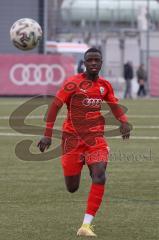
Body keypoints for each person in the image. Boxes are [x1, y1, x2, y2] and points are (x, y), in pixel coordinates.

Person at [37, 48, 131, 237]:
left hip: (95, 139)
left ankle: (86, 226)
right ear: (85, 63)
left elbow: (113, 105)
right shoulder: (73, 83)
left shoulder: (104, 86)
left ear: (101, 63)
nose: (94, 63)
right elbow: (54, 107)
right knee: (72, 187)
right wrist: (47, 135)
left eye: (97, 60)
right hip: (71, 139)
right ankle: (87, 166)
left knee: (100, 176)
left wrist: (123, 121)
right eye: (90, 60)